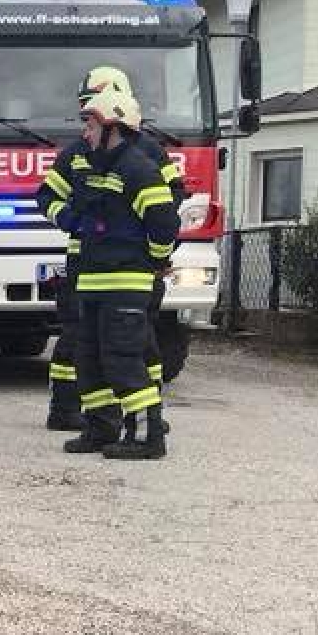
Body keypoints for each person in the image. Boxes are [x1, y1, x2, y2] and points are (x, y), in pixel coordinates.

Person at [41, 65, 189, 431]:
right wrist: (70, 221)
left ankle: (142, 415)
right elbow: (48, 195)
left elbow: (168, 205)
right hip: (86, 259)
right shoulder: (78, 152)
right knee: (81, 338)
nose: (84, 126)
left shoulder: (147, 156)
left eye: (90, 114)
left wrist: (155, 251)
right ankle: (70, 409)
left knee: (137, 339)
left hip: (129, 264)